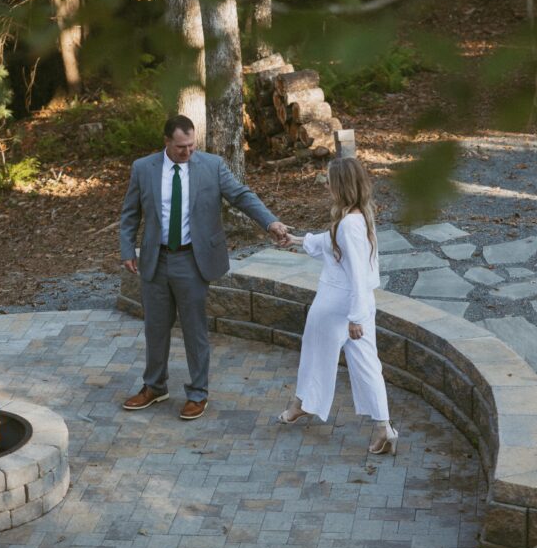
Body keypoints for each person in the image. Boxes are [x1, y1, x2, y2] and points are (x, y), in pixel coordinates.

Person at [120, 114, 290, 419]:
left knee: (194, 328)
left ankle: (198, 393)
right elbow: (130, 213)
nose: (188, 152)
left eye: (192, 145)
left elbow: (241, 196)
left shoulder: (211, 166)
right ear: (167, 143)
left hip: (191, 259)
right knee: (155, 328)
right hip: (154, 261)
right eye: (181, 146)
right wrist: (125, 249)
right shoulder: (143, 168)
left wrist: (270, 222)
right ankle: (154, 387)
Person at [279, 157, 398, 455]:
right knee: (368, 365)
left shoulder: (348, 225)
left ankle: (302, 404)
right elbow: (330, 243)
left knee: (315, 354)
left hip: (339, 305)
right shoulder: (359, 217)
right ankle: (384, 426)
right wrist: (297, 240)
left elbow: (357, 272)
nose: (327, 185)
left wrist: (354, 318)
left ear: (339, 186)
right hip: (359, 304)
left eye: (330, 181)